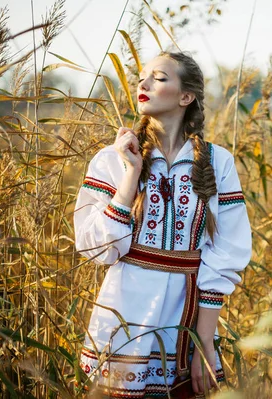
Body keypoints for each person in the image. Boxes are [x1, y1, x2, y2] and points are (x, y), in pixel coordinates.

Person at [73, 51, 252, 398]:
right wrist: (131, 177)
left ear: (186, 97)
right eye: (142, 77)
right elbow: (95, 249)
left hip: (185, 321)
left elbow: (225, 254)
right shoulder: (113, 158)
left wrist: (203, 343)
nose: (142, 83)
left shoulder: (218, 162)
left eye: (158, 77)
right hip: (123, 318)